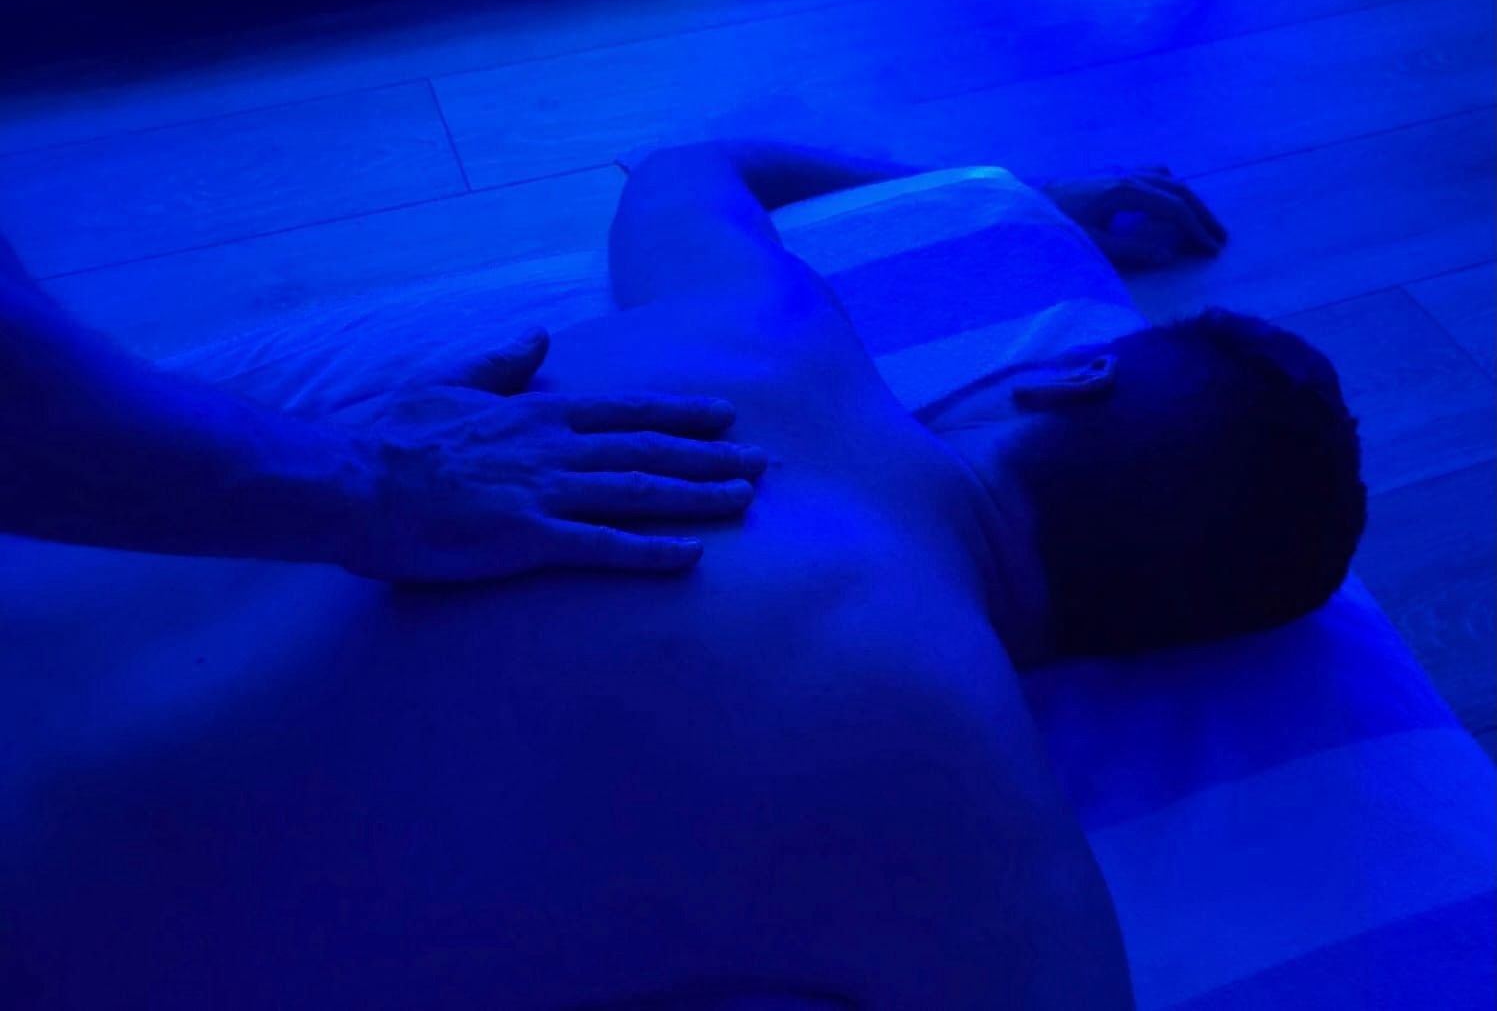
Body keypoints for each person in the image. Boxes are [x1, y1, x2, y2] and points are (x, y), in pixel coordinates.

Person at [0, 141, 1366, 1010]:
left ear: (1064, 376)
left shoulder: (758, 327)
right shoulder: (990, 843)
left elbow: (692, 161)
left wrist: (1024, 202)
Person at [0, 235, 768, 583]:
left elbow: (690, 167)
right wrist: (373, 483)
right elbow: (693, 167)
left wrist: (372, 481)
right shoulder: (770, 332)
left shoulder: (760, 325)